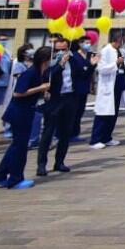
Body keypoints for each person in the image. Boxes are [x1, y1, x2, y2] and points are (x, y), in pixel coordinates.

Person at [0, 46, 51, 190]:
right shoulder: (30, 73)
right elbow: (18, 93)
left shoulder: (41, 73)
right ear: (45, 59)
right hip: (19, 113)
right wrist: (40, 88)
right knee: (20, 147)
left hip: (27, 112)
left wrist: (44, 93)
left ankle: (0, 175)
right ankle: (15, 179)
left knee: (16, 146)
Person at [36, 38, 78, 177]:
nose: (61, 52)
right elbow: (49, 76)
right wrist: (60, 64)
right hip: (55, 99)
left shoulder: (73, 60)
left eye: (63, 49)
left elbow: (83, 71)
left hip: (69, 97)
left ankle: (59, 161)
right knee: (48, 132)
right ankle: (41, 164)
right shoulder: (50, 63)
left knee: (66, 132)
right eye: (58, 50)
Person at [89, 34, 123, 149]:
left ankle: (107, 138)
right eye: (121, 41)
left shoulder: (118, 51)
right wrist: (116, 64)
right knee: (102, 114)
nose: (122, 44)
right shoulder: (105, 51)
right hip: (107, 87)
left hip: (116, 86)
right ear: (116, 41)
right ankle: (95, 139)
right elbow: (101, 69)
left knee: (112, 114)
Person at [70, 40, 95, 142]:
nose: (88, 44)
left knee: (80, 111)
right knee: (73, 112)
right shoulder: (75, 56)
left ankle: (75, 133)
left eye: (90, 42)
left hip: (85, 87)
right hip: (76, 87)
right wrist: (90, 66)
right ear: (80, 44)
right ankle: (68, 133)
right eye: (86, 42)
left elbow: (90, 71)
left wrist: (93, 84)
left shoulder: (89, 55)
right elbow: (80, 71)